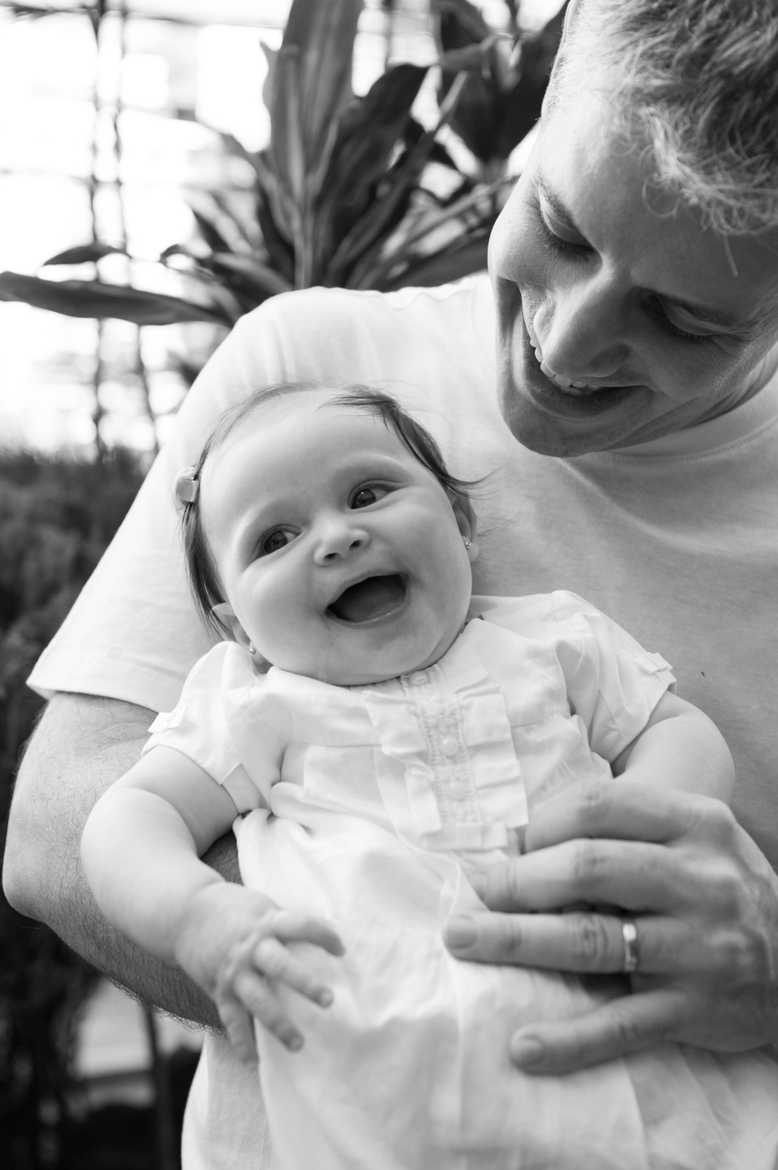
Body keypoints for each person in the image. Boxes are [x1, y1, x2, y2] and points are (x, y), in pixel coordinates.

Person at [4, 0, 778, 1166]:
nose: (565, 347)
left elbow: (669, 742)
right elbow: (66, 829)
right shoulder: (306, 384)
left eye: (680, 320)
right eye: (558, 227)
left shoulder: (552, 641)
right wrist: (395, 1011)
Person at [79, 381, 778, 1170]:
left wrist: (643, 818)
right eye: (273, 539)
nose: (336, 538)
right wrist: (197, 915)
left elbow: (677, 728)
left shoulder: (550, 636)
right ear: (239, 623)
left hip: (647, 1095)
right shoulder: (253, 705)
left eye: (368, 494)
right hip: (378, 1121)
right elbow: (130, 816)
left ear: (462, 522)